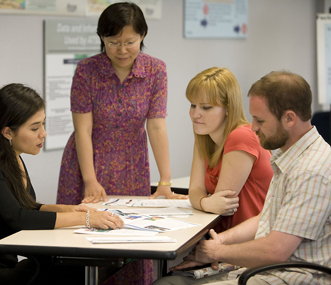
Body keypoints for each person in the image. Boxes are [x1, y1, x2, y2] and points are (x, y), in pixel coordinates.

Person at [153, 70, 331, 285]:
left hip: (289, 275)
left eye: (260, 120)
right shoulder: (292, 157)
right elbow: (266, 218)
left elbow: (275, 250)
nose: (253, 127)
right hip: (269, 268)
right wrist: (223, 241)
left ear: (289, 119)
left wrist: (216, 251)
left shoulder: (309, 171)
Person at [0, 83, 124, 285]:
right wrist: (86, 219)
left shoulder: (11, 156)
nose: (43, 133)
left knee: (72, 267)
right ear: (7, 132)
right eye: (35, 128)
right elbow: (18, 217)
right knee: (69, 272)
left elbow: (26, 206)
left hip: (4, 261)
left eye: (43, 124)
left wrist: (70, 210)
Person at [57, 2, 186, 206]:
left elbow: (156, 126)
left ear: (142, 35)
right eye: (114, 43)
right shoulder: (86, 71)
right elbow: (83, 129)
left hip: (132, 163)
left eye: (130, 42)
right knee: (81, 225)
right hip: (89, 160)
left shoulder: (155, 70)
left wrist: (165, 181)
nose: (122, 50)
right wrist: (89, 180)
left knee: (132, 224)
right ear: (102, 38)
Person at [186, 67, 272, 233]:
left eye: (206, 107)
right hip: (224, 237)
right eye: (193, 105)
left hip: (252, 242)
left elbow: (221, 205)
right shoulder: (203, 136)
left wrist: (203, 201)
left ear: (227, 108)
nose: (195, 114)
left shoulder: (242, 136)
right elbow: (194, 192)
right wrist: (205, 202)